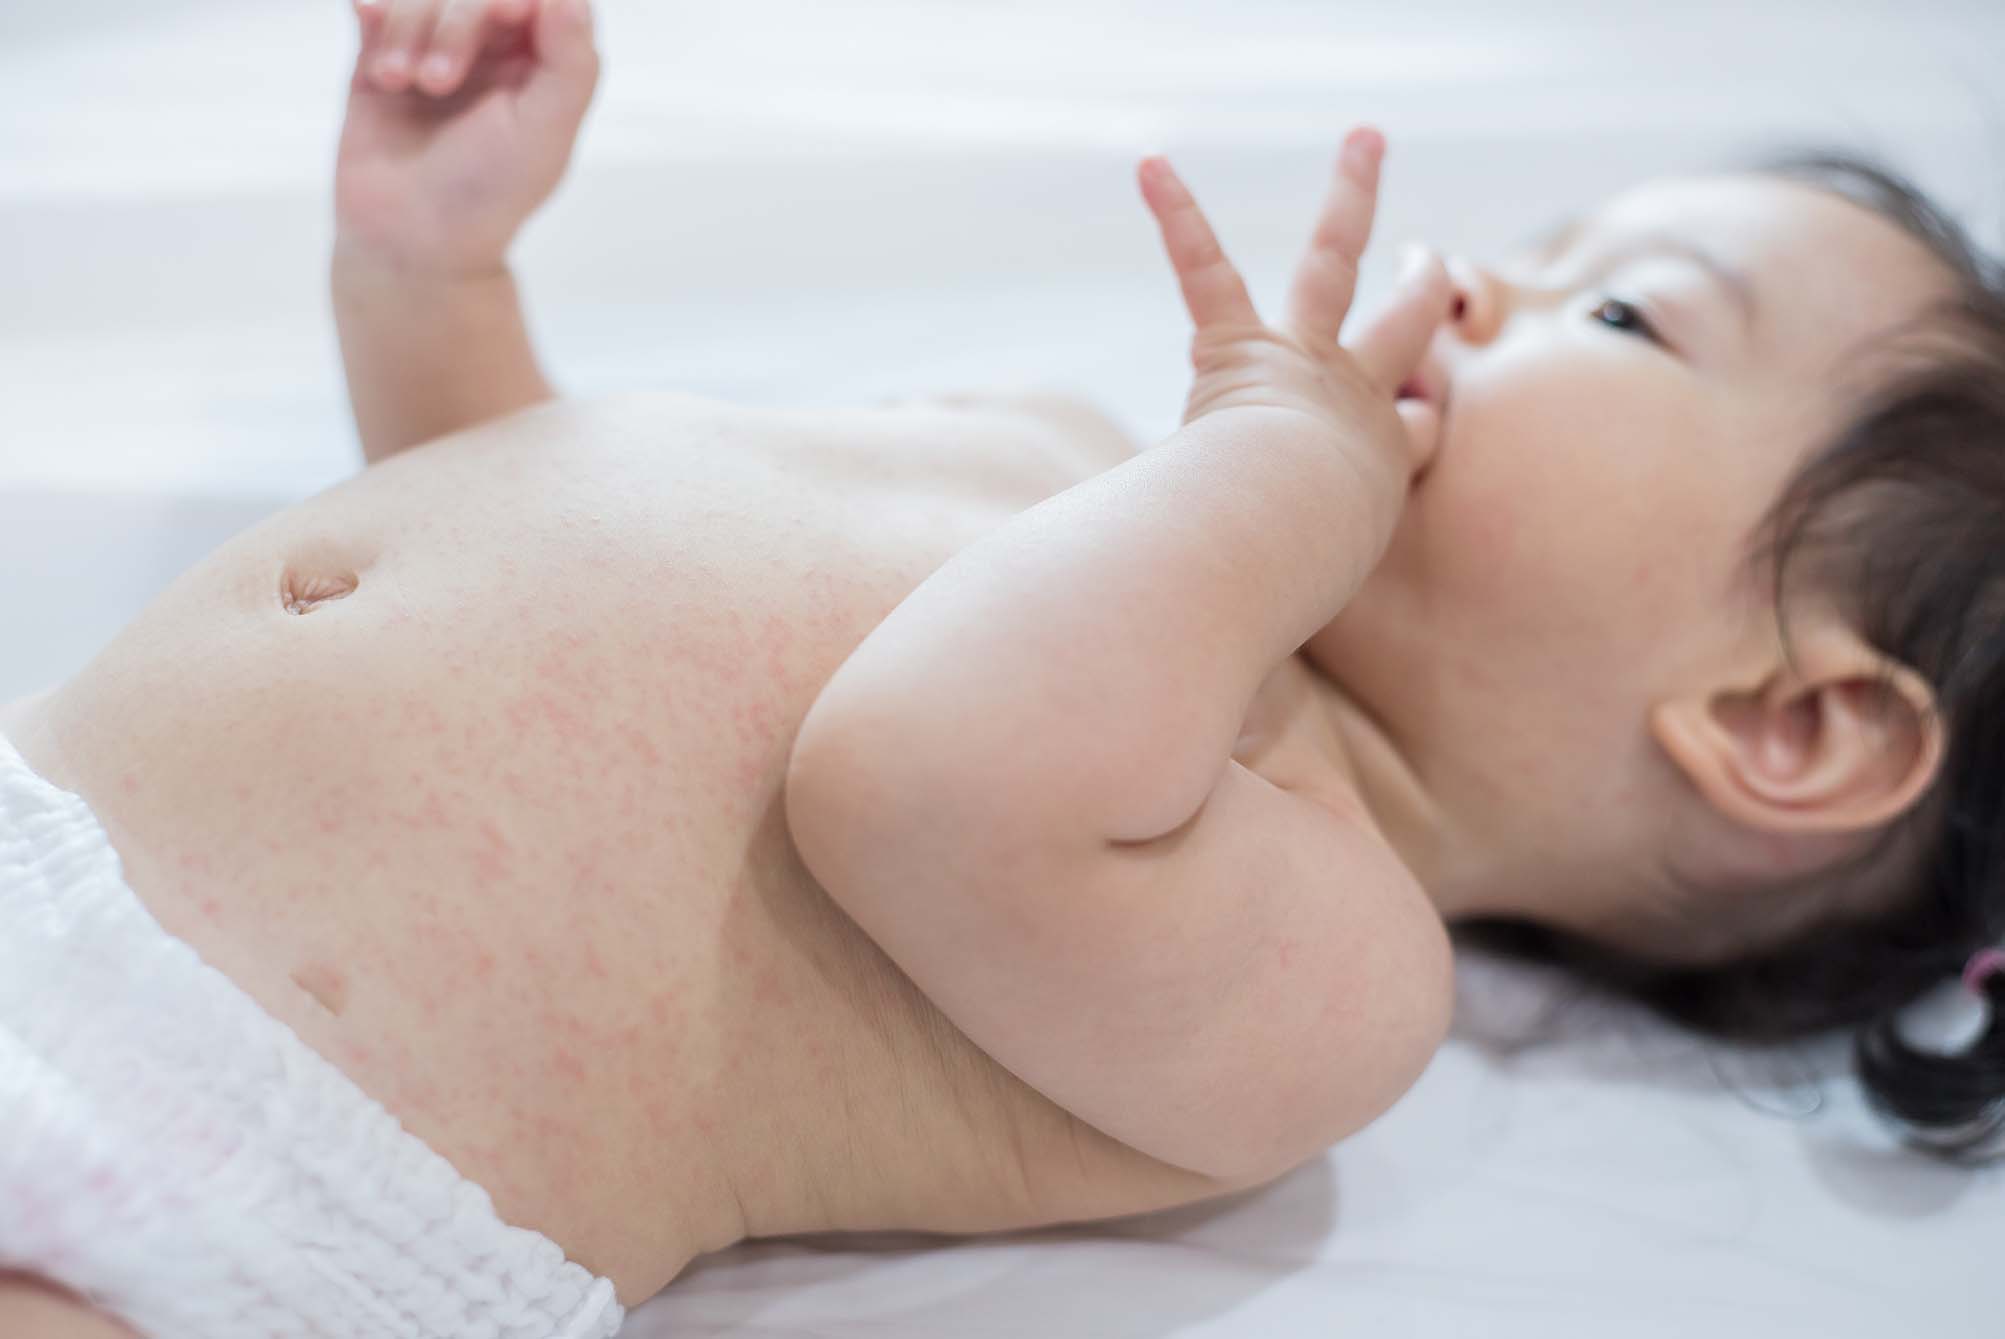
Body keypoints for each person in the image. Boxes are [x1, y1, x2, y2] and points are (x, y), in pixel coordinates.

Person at [4, 0, 2003, 1334]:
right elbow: (528, 522)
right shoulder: (1063, 449)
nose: (1470, 277)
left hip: (246, 1154)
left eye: (1626, 315)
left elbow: (923, 776)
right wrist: (432, 270)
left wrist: (1276, 478)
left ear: (1789, 723)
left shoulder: (1332, 960)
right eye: (1549, 242)